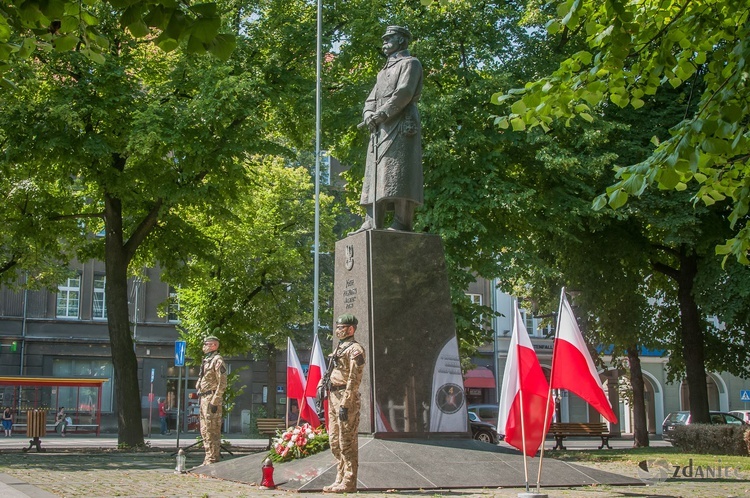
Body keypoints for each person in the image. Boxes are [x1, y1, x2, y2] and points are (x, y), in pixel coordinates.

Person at [350, 25, 423, 235]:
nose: (384, 42)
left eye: (389, 38)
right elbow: (371, 99)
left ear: (401, 40)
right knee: (375, 173)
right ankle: (372, 222)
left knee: (400, 173)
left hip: (401, 124)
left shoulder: (411, 63)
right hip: (379, 128)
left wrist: (382, 113)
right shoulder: (382, 72)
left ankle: (402, 223)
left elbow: (404, 92)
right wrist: (368, 114)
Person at [321, 314, 366, 493]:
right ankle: (339, 478)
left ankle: (349, 481)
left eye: (342, 327)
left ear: (351, 329)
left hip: (346, 399)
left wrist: (345, 403)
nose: (338, 330)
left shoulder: (355, 350)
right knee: (334, 441)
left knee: (346, 442)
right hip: (333, 396)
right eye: (337, 327)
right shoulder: (339, 349)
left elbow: (354, 379)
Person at [195, 335, 227, 465]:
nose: (204, 346)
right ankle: (208, 457)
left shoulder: (217, 360)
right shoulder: (206, 360)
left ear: (214, 345)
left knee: (212, 429)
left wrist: (215, 401)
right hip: (204, 398)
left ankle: (213, 458)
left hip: (211, 398)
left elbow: (222, 382)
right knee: (204, 429)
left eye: (206, 344)